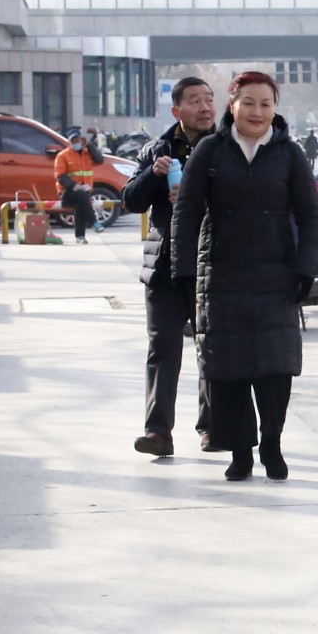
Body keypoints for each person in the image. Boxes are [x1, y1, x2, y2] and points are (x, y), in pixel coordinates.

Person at [172, 70, 318, 483]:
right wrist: (183, 270)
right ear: (232, 105)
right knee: (228, 368)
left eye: (266, 104)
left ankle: (272, 440)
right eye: (249, 103)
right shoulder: (210, 151)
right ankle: (240, 451)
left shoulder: (289, 154)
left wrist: (306, 266)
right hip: (221, 275)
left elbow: (309, 216)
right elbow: (186, 213)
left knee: (276, 367)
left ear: (275, 109)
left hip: (277, 274)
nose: (257, 112)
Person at [123, 76, 219, 458]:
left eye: (209, 99)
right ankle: (158, 432)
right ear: (177, 110)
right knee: (162, 348)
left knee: (211, 348)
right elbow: (131, 200)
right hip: (164, 267)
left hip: (210, 264)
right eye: (195, 100)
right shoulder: (156, 150)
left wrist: (199, 195)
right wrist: (154, 174)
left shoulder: (225, 148)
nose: (204, 107)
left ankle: (212, 428)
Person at [54, 126, 103, 244]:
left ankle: (80, 237)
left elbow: (99, 160)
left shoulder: (87, 153)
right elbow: (60, 176)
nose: (76, 142)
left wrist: (90, 145)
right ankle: (94, 222)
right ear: (69, 142)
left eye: (78, 140)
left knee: (81, 203)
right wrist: (73, 185)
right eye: (73, 140)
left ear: (82, 139)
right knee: (81, 195)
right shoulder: (63, 155)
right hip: (68, 192)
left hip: (84, 193)